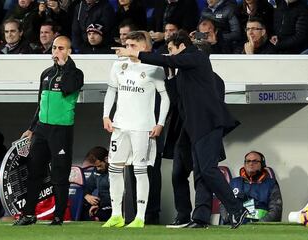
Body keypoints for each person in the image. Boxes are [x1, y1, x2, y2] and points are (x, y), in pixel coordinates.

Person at [112, 30, 248, 229]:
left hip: (207, 124)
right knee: (202, 171)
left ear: (181, 45)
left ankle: (237, 210)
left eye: (171, 49)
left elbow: (171, 61)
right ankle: (201, 217)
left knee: (208, 171)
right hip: (195, 128)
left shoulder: (197, 57)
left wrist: (136, 54)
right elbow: (175, 99)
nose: (170, 54)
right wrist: (167, 77)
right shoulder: (184, 71)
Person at [13, 36, 84, 226]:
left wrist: (65, 66)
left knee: (60, 174)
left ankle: (59, 216)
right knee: (34, 171)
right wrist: (31, 128)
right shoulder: (46, 73)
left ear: (69, 51)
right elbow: (40, 104)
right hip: (42, 130)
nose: (56, 52)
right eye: (54, 48)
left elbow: (68, 89)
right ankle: (28, 215)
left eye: (61, 48)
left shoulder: (76, 74)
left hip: (61, 131)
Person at [102, 31, 170, 228]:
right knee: (114, 169)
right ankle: (116, 214)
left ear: (144, 49)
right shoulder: (118, 65)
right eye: (127, 44)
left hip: (142, 128)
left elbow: (165, 97)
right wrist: (106, 115)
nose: (127, 48)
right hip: (120, 125)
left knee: (140, 171)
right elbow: (111, 90)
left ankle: (140, 216)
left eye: (132, 45)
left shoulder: (154, 68)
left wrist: (160, 123)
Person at [220, 151, 283, 223]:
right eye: (248, 161)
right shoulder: (233, 183)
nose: (251, 163)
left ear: (262, 164)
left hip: (261, 229)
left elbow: (276, 211)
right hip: (235, 227)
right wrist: (229, 219)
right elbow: (223, 204)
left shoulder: (271, 184)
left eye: (255, 161)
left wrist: (259, 225)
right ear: (244, 164)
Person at [82, 146, 112, 221]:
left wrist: (99, 206)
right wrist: (87, 196)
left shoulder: (116, 171)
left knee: (100, 215)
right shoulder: (96, 171)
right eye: (95, 167)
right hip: (101, 205)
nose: (98, 169)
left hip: (115, 206)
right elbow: (86, 187)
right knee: (83, 209)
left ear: (106, 159)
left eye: (99, 166)